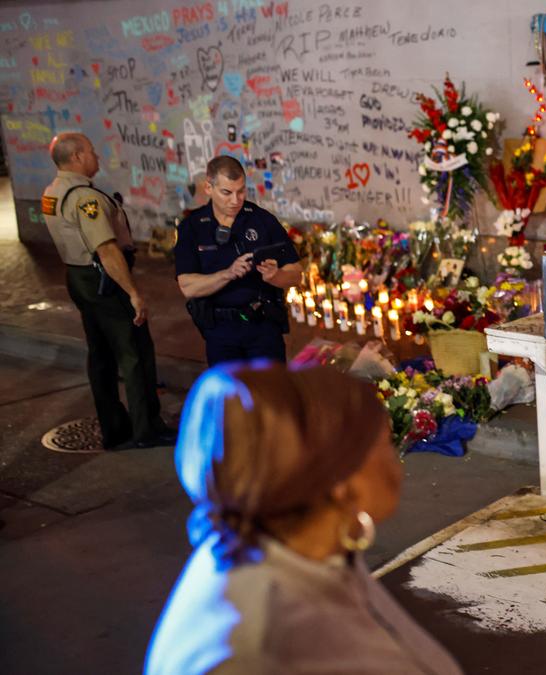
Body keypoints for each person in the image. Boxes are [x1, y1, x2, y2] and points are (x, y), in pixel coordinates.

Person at [145, 363, 462, 674]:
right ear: (339, 479)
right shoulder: (255, 652)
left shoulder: (317, 552)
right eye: (382, 446)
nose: (398, 467)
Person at [40, 132, 173, 449]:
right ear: (77, 157)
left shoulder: (52, 192)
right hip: (103, 281)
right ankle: (146, 429)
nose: (96, 156)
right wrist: (133, 293)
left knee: (100, 353)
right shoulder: (85, 199)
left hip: (78, 277)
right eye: (92, 151)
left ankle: (114, 427)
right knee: (135, 352)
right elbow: (107, 250)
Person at [175, 157, 301, 366]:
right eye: (227, 192)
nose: (236, 200)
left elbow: (296, 274)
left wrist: (276, 276)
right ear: (209, 187)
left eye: (241, 191)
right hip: (220, 329)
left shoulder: (262, 220)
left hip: (263, 326)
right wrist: (228, 274)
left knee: (271, 394)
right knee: (231, 396)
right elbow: (188, 286)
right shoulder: (192, 227)